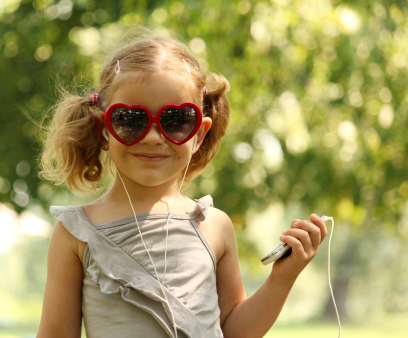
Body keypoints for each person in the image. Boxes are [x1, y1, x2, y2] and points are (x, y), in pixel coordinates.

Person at [36, 35, 327, 338]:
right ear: (104, 130)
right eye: (131, 120)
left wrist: (282, 278)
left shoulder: (214, 226)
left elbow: (234, 332)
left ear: (199, 134)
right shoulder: (77, 232)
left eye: (175, 120)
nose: (151, 136)